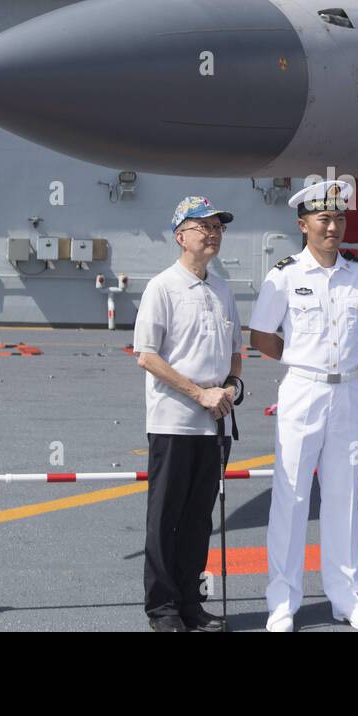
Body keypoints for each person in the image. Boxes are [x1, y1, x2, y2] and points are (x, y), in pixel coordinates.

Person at [248, 179, 358, 632]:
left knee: (343, 494)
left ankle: (345, 597)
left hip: (346, 394)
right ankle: (283, 600)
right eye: (323, 219)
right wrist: (300, 360)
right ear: (303, 224)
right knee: (290, 496)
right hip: (302, 391)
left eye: (339, 218)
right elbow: (260, 336)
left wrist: (354, 351)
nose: (333, 226)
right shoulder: (285, 275)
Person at [134, 196, 242, 632]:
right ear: (181, 236)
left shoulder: (223, 290)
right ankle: (162, 609)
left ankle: (191, 606)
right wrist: (200, 393)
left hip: (215, 424)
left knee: (199, 519)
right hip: (174, 422)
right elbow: (146, 356)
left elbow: (236, 353)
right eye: (203, 226)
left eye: (218, 226)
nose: (213, 233)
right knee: (165, 520)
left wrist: (232, 388)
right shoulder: (162, 287)